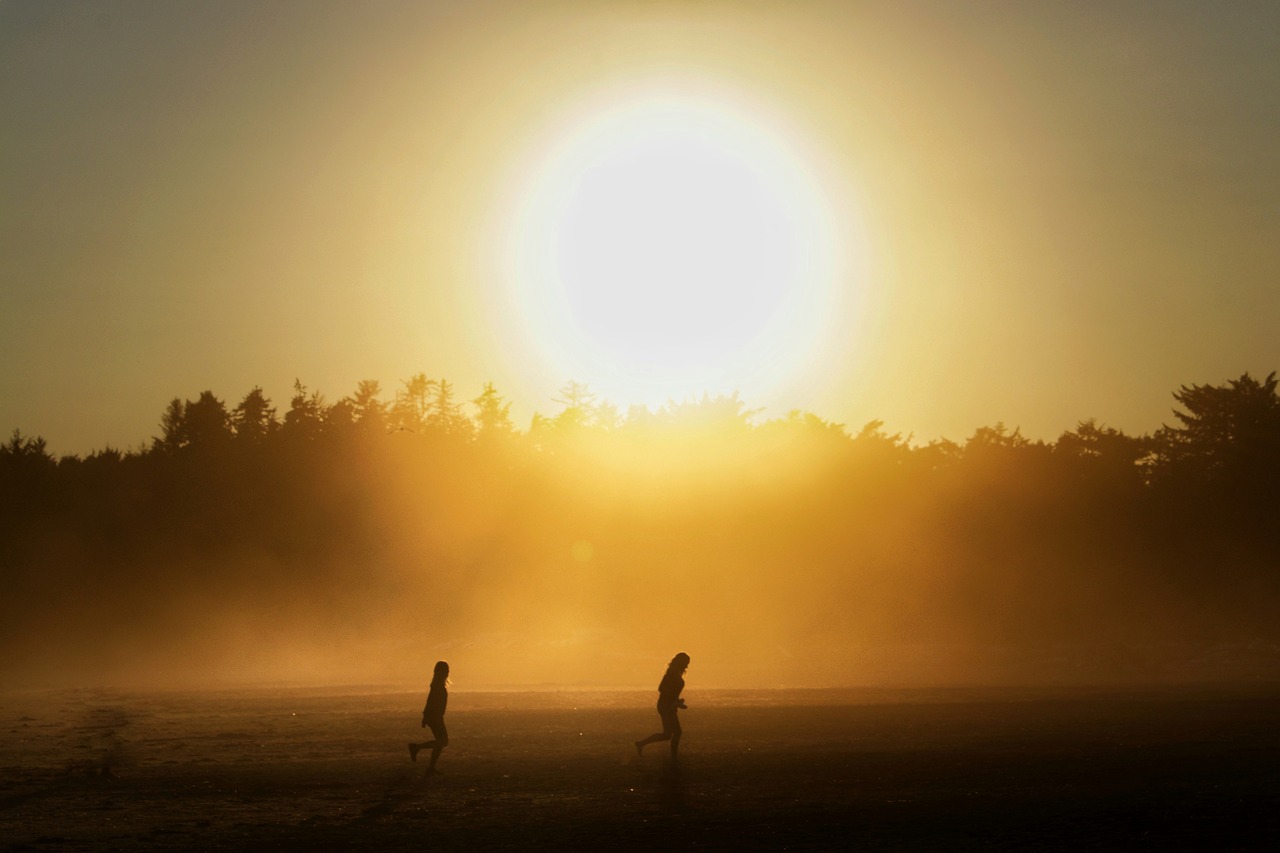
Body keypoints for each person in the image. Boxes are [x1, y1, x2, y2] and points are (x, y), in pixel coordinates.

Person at [635, 652, 690, 764]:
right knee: (676, 732)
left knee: (667, 734)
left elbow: (673, 694)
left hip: (669, 706)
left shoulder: (676, 674)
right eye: (686, 663)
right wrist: (672, 701)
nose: (687, 666)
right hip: (665, 706)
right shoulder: (671, 674)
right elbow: (661, 689)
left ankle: (641, 743)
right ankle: (673, 758)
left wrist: (677, 702)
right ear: (680, 662)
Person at [409, 660, 450, 774]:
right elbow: (430, 701)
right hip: (435, 717)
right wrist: (425, 716)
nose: (447, 672)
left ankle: (431, 767)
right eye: (445, 670)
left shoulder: (438, 684)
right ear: (439, 672)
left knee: (440, 742)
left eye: (448, 670)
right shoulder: (437, 685)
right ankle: (416, 747)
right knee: (443, 741)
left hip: (436, 716)